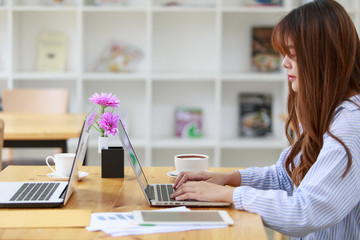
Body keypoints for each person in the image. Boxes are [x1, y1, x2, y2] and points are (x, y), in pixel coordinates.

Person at [171, 0, 360, 239]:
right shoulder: (329, 111)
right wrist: (230, 179)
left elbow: (306, 211)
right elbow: (287, 176)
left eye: (292, 53)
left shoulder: (352, 127)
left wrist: (228, 195)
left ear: (323, 58)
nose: (284, 63)